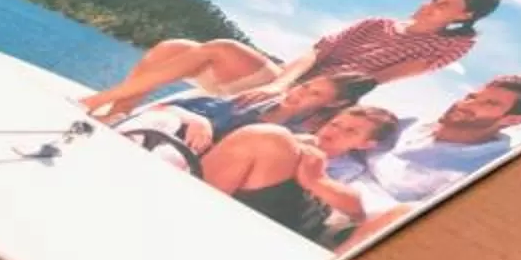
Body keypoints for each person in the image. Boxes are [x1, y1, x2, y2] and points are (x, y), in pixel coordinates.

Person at [76, 0, 500, 121]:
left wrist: (307, 95)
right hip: (285, 79)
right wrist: (280, 81)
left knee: (219, 47)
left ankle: (95, 102)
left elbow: (382, 79)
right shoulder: (376, 21)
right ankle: (116, 112)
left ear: (463, 17)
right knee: (175, 47)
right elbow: (312, 53)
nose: (431, 5)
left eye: (444, 6)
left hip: (319, 96)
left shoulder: (451, 45)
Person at [326, 74, 521, 210]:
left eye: (489, 104)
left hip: (349, 219)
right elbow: (346, 142)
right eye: (472, 96)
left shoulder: (484, 171)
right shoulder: (411, 123)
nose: (466, 105)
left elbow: (399, 221)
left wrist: (318, 182)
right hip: (324, 178)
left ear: (512, 119)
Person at [199, 104, 402, 246]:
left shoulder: (355, 171)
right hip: (249, 192)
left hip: (294, 218)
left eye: (350, 131)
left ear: (366, 144)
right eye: (335, 124)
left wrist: (317, 180)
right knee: (267, 137)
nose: (335, 131)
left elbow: (362, 209)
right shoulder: (290, 138)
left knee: (268, 138)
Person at [113, 72, 372, 173]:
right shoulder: (252, 102)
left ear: (333, 104)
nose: (298, 93)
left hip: (188, 162)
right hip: (156, 131)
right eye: (304, 86)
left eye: (313, 94)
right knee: (163, 118)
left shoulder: (293, 136)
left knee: (172, 155)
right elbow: (164, 107)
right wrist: (197, 119)